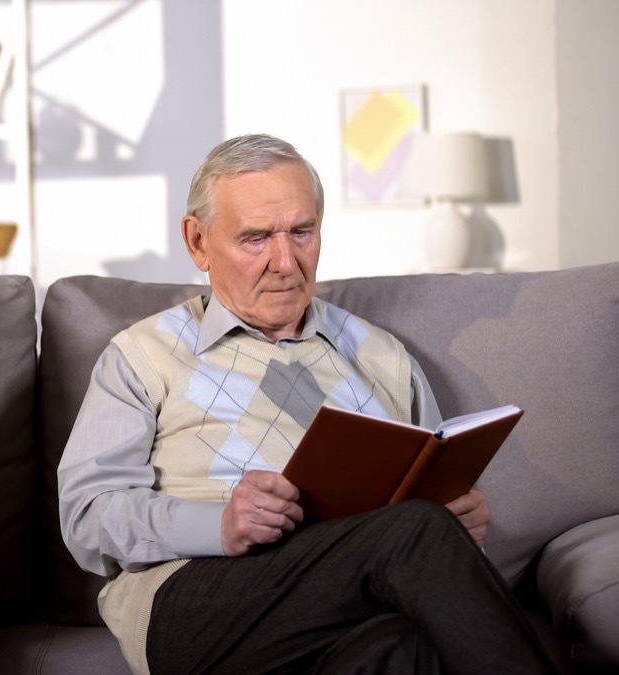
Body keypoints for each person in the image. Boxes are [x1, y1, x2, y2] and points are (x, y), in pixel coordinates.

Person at [57, 134, 556, 674]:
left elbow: (431, 489)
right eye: (255, 238)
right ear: (198, 242)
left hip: (351, 599)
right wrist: (219, 524)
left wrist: (457, 529)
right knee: (415, 530)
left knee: (399, 649)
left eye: (302, 232)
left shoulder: (382, 355)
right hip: (196, 599)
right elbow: (87, 516)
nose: (284, 262)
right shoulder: (143, 355)